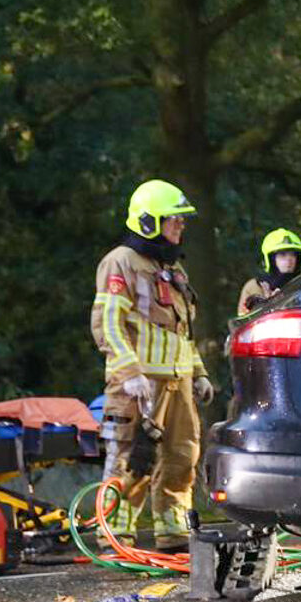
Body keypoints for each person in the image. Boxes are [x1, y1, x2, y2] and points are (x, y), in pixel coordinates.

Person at [89, 179, 209, 549]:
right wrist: (130, 373)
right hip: (138, 386)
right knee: (129, 458)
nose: (181, 226)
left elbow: (182, 331)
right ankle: (115, 533)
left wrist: (200, 372)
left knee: (182, 454)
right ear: (148, 222)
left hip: (178, 383)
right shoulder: (120, 263)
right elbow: (107, 323)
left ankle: (171, 530)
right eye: (174, 220)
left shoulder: (174, 271)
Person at [236, 228, 301, 318]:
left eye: (293, 254)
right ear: (271, 260)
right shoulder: (254, 286)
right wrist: (266, 305)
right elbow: (244, 321)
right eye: (282, 254)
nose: (289, 259)